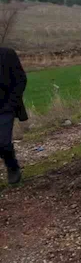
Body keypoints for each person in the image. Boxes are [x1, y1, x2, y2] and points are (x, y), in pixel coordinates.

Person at [0, 47, 27, 185]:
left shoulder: (7, 54)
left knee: (3, 143)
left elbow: (21, 79)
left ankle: (12, 167)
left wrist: (11, 104)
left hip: (5, 108)